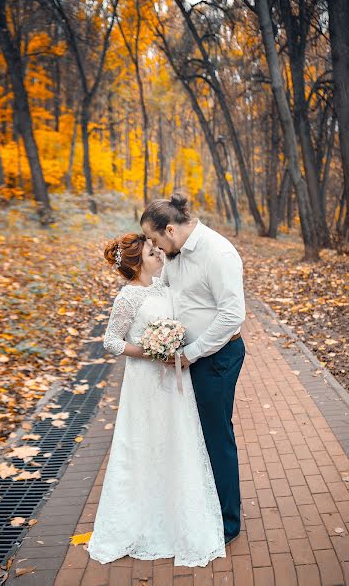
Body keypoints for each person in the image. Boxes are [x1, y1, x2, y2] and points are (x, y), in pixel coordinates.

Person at [87, 233, 226, 567]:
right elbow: (110, 341)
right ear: (137, 262)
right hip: (146, 381)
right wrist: (150, 351)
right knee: (144, 443)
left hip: (176, 379)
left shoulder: (167, 284)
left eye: (157, 249)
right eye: (152, 253)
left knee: (177, 441)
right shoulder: (129, 297)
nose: (160, 255)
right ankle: (139, 519)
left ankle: (181, 516)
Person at [140, 192, 246, 544]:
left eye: (155, 240)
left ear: (170, 229)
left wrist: (193, 352)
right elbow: (172, 293)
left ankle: (228, 523)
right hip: (189, 354)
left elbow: (232, 316)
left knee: (216, 437)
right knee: (194, 434)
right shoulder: (175, 254)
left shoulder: (218, 253)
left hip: (217, 357)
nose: (155, 248)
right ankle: (202, 505)